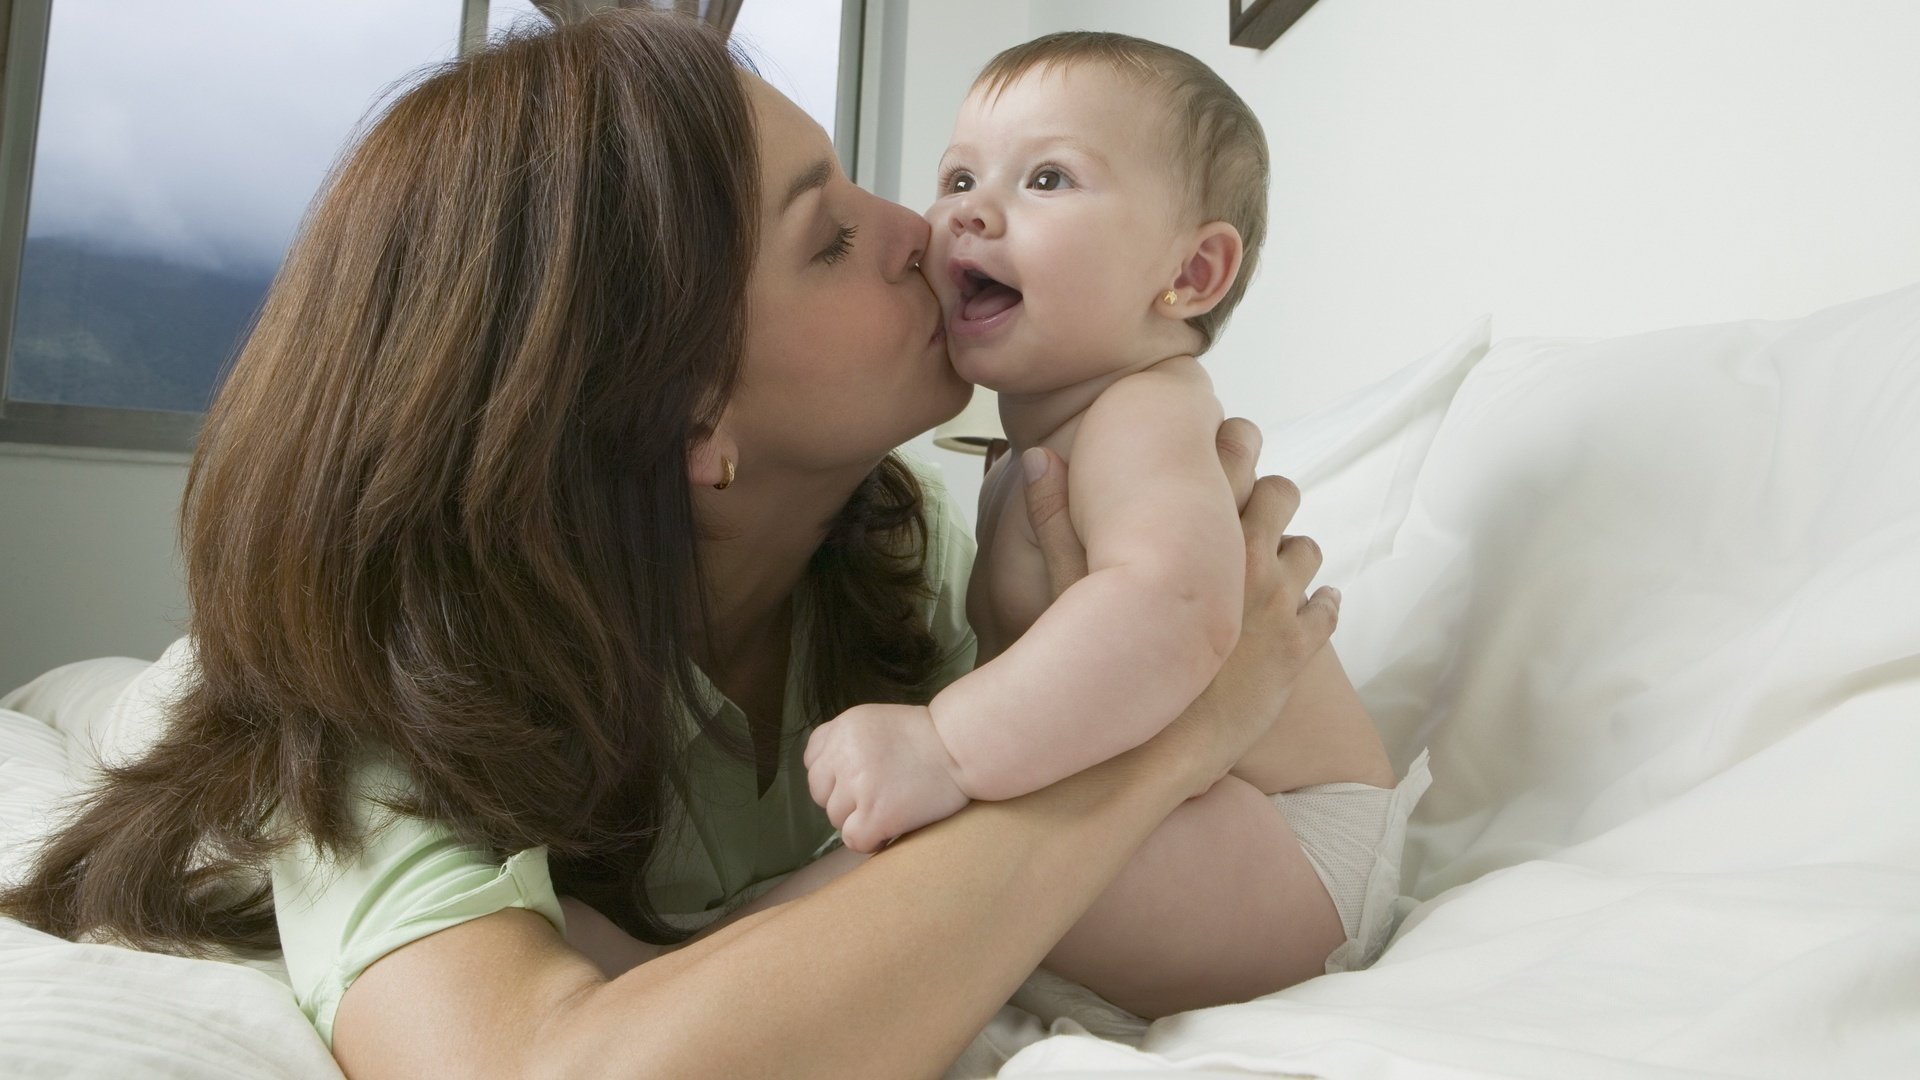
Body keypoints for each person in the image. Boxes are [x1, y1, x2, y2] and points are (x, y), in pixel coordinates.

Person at [0, 12, 1367, 1079]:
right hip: (248, 679)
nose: (921, 228)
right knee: (126, 704)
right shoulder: (382, 702)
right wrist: (1172, 748)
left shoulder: (910, 542)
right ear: (685, 419)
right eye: (830, 236)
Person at [802, 32, 1432, 1017]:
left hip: (1295, 845)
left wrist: (946, 746)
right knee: (938, 866)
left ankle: (739, 945)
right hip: (1202, 810)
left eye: (1048, 178)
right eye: (959, 174)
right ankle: (739, 946)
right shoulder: (1028, 446)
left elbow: (1172, 608)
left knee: (943, 855)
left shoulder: (1144, 409)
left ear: (1190, 273)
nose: (969, 207)